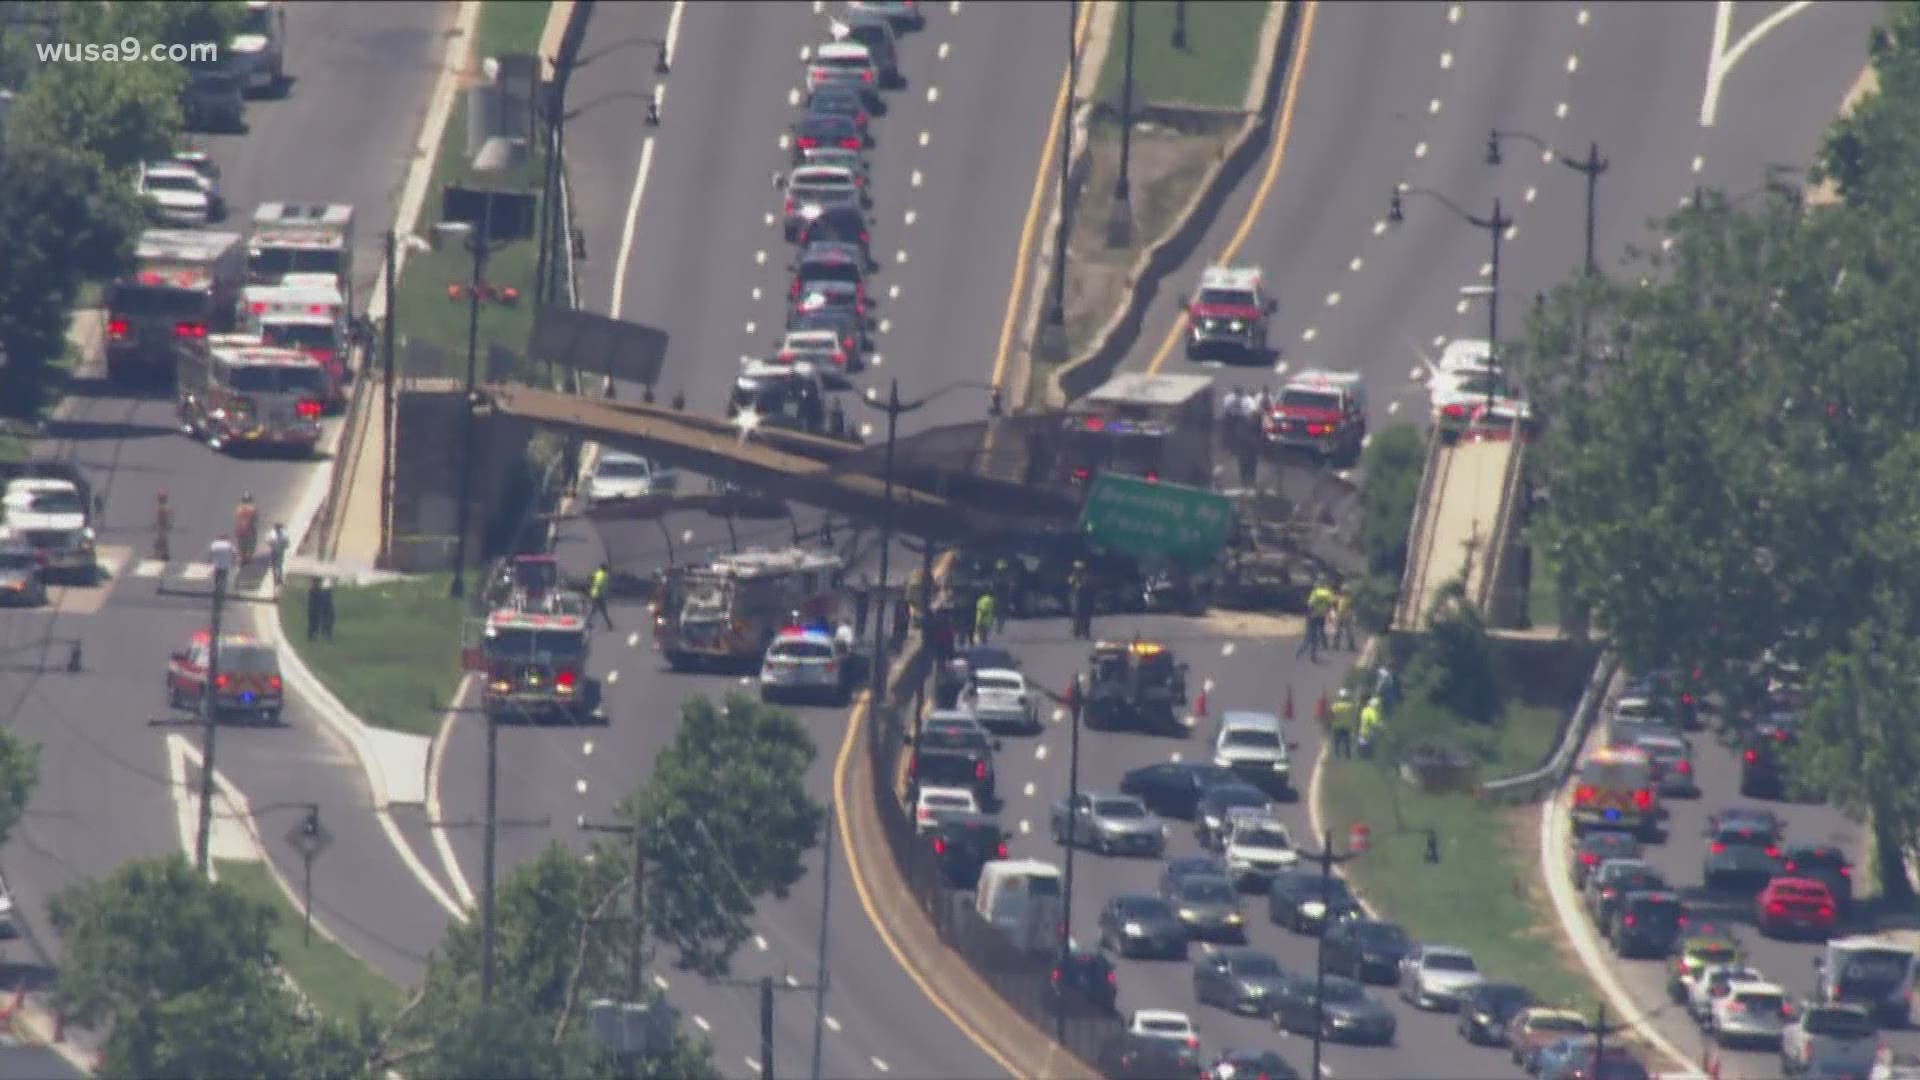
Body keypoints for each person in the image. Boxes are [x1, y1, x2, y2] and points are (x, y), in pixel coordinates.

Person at [1298, 579, 1335, 661]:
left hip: (1313, 616)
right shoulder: (1327, 593)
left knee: (1312, 635)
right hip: (1321, 615)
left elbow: (1310, 604)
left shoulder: (1315, 593)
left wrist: (1309, 613)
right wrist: (1327, 612)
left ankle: (1309, 652)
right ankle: (1324, 645)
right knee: (1321, 631)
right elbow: (1331, 604)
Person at [1327, 687, 1356, 759]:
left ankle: (1337, 755)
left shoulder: (1335, 705)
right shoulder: (1350, 705)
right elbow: (1353, 715)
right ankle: (1348, 755)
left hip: (1337, 726)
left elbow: (1331, 714)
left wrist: (1330, 722)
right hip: (1347, 726)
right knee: (1347, 742)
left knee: (1337, 742)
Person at [588, 562, 614, 630]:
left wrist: (591, 586)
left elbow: (590, 578)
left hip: (594, 594)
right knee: (603, 610)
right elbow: (599, 584)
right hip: (599, 595)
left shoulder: (598, 573)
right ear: (605, 569)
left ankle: (588, 623)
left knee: (594, 610)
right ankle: (609, 624)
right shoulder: (604, 575)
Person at [234, 493, 259, 564]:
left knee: (241, 545)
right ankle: (248, 558)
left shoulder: (238, 508)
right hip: (250, 530)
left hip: (239, 529)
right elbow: (255, 519)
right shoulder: (253, 508)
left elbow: (237, 518)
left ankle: (242, 558)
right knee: (251, 544)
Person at [1333, 581, 1357, 651]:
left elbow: (1352, 608)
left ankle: (1338, 645)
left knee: (1345, 631)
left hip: (1344, 615)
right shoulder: (1342, 598)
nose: (1344, 592)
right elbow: (1334, 605)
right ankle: (1337, 645)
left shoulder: (1347, 598)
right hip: (1342, 615)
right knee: (1342, 631)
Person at [266, 522, 290, 590]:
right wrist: (271, 544)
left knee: (279, 565)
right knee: (274, 566)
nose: (277, 530)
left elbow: (287, 544)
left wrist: (283, 547)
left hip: (280, 552)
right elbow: (267, 540)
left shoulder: (284, 534)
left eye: (278, 528)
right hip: (273, 551)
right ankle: (275, 578)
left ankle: (279, 578)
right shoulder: (272, 533)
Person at [153, 491, 172, 561]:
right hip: (162, 526)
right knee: (161, 540)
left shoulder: (163, 507)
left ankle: (162, 555)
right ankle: (163, 554)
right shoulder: (164, 507)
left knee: (161, 540)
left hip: (162, 526)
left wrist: (160, 525)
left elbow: (163, 517)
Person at [306, 575, 324, 640]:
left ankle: (313, 635)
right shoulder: (314, 590)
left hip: (314, 609)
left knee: (315, 623)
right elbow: (319, 599)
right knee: (313, 622)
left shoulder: (313, 590)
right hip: (314, 609)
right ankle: (311, 635)